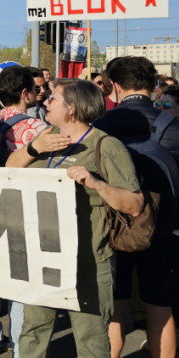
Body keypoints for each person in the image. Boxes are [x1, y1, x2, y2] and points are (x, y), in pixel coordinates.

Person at [8, 79, 144, 358]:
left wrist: (97, 184)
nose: (44, 100)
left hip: (89, 260)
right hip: (43, 256)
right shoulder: (46, 138)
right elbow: (10, 169)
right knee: (33, 332)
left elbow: (135, 205)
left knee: (91, 341)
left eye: (52, 98)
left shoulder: (106, 146)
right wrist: (34, 149)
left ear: (72, 108)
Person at [94, 57, 179, 358]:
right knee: (160, 306)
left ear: (114, 86)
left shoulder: (99, 128)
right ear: (154, 85)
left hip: (112, 226)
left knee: (114, 308)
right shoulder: (172, 125)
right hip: (164, 228)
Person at [0, 66, 48, 355]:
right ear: (25, 93)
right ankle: (19, 344)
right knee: (19, 281)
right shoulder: (36, 129)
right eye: (35, 90)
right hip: (23, 210)